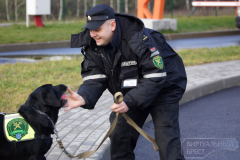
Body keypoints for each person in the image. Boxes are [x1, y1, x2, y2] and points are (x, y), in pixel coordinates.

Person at [65, 4, 187, 160]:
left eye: (97, 29)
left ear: (113, 25)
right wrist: (83, 97)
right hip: (133, 92)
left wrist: (129, 101)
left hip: (164, 87)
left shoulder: (138, 39)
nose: (93, 34)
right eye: (90, 29)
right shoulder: (93, 46)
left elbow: (155, 75)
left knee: (167, 139)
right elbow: (94, 78)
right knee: (119, 134)